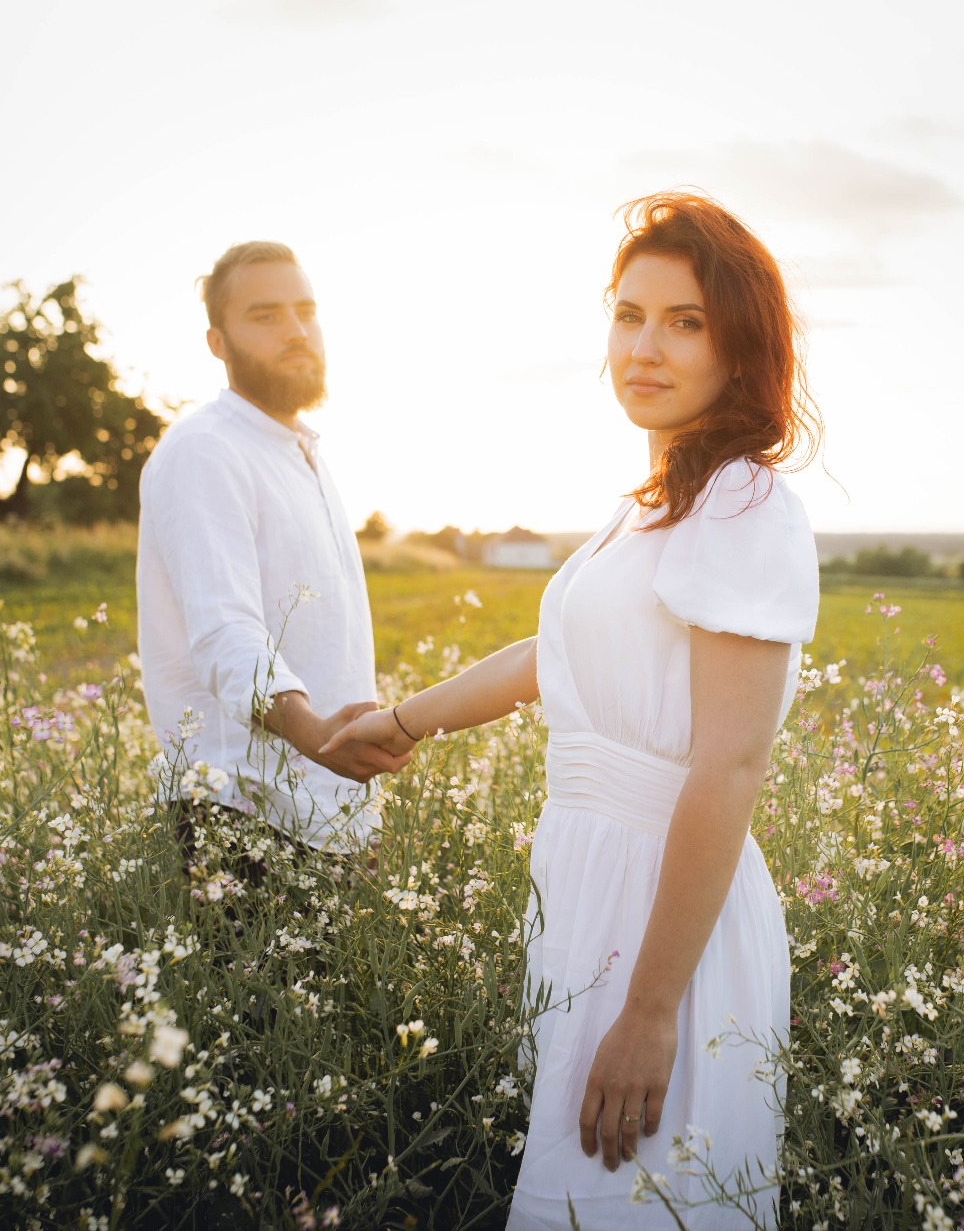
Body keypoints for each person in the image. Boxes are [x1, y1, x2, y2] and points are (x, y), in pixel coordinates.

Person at [323, 194, 819, 1227]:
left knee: (637, 1200)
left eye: (684, 320)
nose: (644, 345)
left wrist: (649, 1010)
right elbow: (553, 656)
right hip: (596, 892)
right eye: (628, 313)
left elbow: (727, 766)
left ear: (742, 346)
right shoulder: (653, 501)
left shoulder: (741, 502)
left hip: (664, 921)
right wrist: (408, 719)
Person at [136, 241, 413, 892]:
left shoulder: (299, 451)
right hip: (241, 813)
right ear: (217, 341)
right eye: (264, 315)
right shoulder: (206, 451)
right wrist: (311, 732)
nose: (294, 330)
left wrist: (354, 813)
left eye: (305, 311)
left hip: (327, 809)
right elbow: (224, 632)